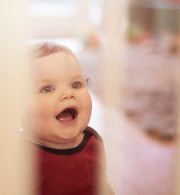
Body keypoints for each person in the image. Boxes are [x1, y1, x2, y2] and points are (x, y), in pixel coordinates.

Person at [25, 42, 113, 195]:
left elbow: (102, 186)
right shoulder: (22, 156)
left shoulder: (93, 142)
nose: (68, 94)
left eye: (76, 84)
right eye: (47, 88)